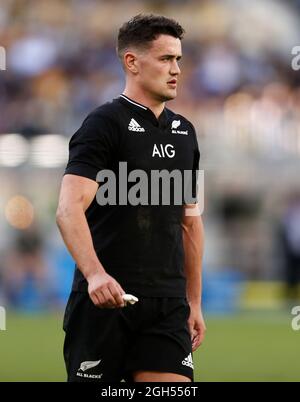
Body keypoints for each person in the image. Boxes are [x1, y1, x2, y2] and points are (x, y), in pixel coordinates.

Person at [56, 14, 206, 382]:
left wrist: (194, 301)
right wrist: (94, 276)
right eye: (166, 59)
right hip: (105, 300)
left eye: (179, 60)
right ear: (132, 62)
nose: (176, 70)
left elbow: (191, 221)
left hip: (167, 305)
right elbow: (68, 209)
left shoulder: (185, 132)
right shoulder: (103, 124)